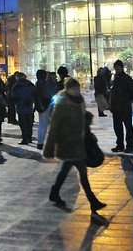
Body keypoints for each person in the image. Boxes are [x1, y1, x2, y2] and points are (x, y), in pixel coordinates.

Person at [43, 77, 106, 215]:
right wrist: (49, 148)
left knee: (65, 170)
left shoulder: (80, 101)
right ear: (67, 89)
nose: (77, 91)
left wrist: (86, 120)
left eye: (77, 88)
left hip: (79, 142)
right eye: (73, 89)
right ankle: (93, 201)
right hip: (68, 143)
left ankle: (54, 192)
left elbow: (82, 117)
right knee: (83, 174)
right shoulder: (62, 104)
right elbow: (54, 126)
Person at [109, 59, 133, 153]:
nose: (116, 69)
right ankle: (120, 144)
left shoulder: (126, 78)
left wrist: (126, 98)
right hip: (116, 106)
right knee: (117, 127)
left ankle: (130, 145)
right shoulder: (115, 78)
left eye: (118, 67)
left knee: (128, 126)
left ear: (121, 67)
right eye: (115, 68)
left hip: (124, 106)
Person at [10, 71, 36, 145]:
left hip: (21, 107)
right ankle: (29, 137)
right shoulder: (30, 84)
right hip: (29, 106)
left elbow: (13, 96)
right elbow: (34, 93)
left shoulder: (16, 86)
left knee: (23, 123)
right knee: (29, 123)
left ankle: (25, 139)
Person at [35, 69, 58, 149]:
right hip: (48, 104)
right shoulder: (47, 83)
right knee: (51, 123)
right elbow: (52, 92)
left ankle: (40, 142)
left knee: (42, 124)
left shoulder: (38, 83)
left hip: (41, 105)